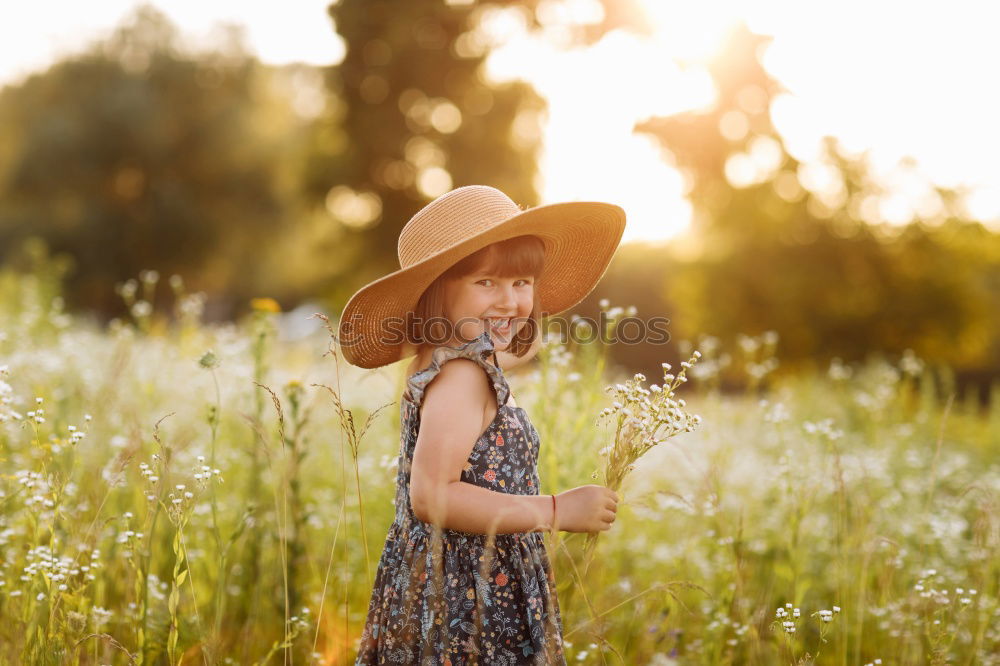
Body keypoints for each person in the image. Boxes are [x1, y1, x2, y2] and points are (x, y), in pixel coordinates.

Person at [339, 185, 626, 665]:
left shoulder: (451, 358)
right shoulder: (463, 379)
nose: (511, 301)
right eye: (487, 283)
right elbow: (431, 496)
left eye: (522, 282)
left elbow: (511, 348)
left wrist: (516, 312)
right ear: (439, 292)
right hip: (467, 596)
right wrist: (556, 510)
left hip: (450, 582)